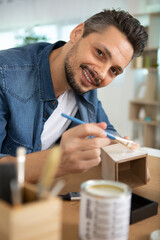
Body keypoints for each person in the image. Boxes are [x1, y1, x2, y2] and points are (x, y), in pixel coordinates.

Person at [0, 9, 149, 183]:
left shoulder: (85, 85)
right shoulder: (5, 74)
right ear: (77, 33)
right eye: (100, 53)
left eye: (113, 70)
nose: (101, 74)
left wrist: (123, 152)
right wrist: (57, 161)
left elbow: (106, 132)